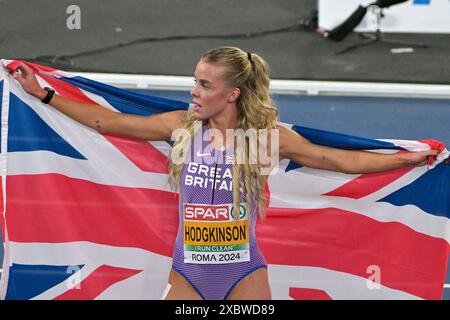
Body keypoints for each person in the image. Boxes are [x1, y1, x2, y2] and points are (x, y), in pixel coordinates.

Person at [9, 47, 441, 300]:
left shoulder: (266, 139)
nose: (193, 92)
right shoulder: (180, 127)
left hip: (244, 273)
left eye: (205, 86)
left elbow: (341, 161)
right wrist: (44, 93)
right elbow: (107, 122)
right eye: (194, 82)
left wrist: (409, 159)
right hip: (188, 273)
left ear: (232, 94)